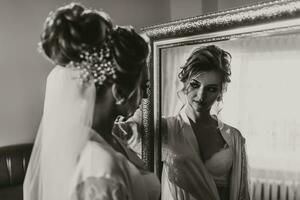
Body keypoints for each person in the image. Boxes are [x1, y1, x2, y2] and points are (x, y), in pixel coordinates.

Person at [23, 3, 160, 200]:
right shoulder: (101, 166)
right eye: (144, 86)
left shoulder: (107, 140)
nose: (146, 96)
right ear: (119, 92)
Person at [116, 45, 250, 200]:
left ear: (221, 92)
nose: (201, 96)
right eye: (195, 85)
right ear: (185, 84)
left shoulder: (234, 137)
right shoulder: (165, 128)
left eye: (211, 89)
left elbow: (241, 193)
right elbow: (120, 132)